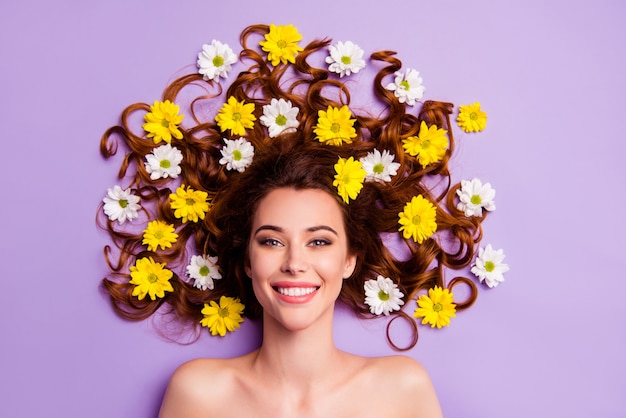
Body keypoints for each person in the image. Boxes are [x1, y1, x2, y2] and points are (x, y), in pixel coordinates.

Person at [98, 23, 487, 417]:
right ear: (248, 260)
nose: (295, 262)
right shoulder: (199, 394)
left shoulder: (401, 390)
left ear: (349, 258)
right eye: (271, 241)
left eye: (319, 241)